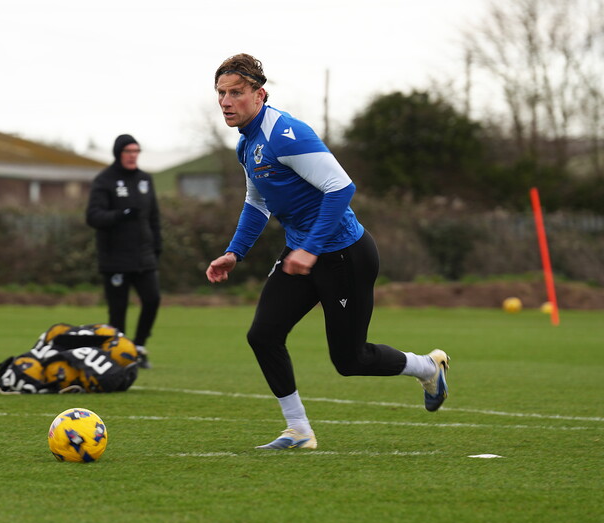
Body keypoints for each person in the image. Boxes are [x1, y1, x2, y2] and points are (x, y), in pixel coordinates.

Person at [205, 54, 451, 450]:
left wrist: (312, 249)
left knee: (349, 361)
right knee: (263, 335)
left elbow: (341, 188)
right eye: (221, 93)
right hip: (303, 254)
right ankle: (299, 430)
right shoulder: (245, 145)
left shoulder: (286, 133)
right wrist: (235, 253)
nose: (226, 101)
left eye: (236, 92)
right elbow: (257, 203)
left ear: (259, 94)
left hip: (344, 255)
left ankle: (427, 366)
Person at [86, 134, 161, 368]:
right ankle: (117, 355)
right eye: (128, 151)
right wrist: (121, 214)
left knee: (152, 300)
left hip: (144, 256)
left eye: (136, 151)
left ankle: (138, 346)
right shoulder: (104, 180)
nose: (132, 156)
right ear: (119, 153)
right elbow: (93, 216)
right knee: (117, 311)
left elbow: (154, 217)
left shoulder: (145, 180)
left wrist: (157, 245)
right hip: (115, 258)